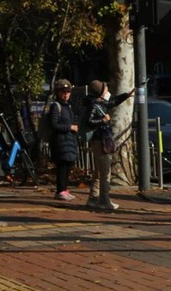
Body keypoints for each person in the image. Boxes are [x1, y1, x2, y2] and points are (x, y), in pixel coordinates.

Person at [83, 80, 135, 210]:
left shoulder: (99, 103)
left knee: (98, 171)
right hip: (100, 141)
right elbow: (90, 121)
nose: (107, 91)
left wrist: (127, 95)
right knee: (105, 172)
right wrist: (103, 120)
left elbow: (112, 102)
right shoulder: (95, 105)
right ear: (100, 92)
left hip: (99, 140)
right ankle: (104, 200)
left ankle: (93, 198)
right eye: (105, 89)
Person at [49, 79, 79, 201]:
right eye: (63, 91)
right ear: (58, 92)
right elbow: (54, 125)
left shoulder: (69, 106)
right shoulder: (56, 106)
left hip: (69, 141)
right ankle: (60, 190)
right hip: (60, 142)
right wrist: (69, 127)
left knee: (68, 165)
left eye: (68, 91)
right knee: (62, 166)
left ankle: (64, 189)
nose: (66, 94)